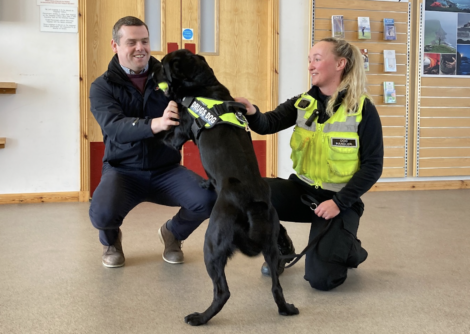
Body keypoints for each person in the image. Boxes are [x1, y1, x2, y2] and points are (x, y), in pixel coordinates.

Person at [235, 37, 383, 291]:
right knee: (245, 195)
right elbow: (268, 123)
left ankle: (350, 249)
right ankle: (281, 245)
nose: (310, 66)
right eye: (309, 60)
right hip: (303, 192)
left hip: (339, 201)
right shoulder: (303, 102)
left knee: (322, 280)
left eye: (317, 59)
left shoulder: (363, 110)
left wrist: (338, 203)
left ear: (340, 64)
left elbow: (373, 167)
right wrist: (252, 112)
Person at [89, 16, 216, 268]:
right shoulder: (102, 87)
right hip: (122, 170)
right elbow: (115, 128)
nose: (140, 48)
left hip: (165, 170)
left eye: (145, 41)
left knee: (208, 200)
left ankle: (173, 233)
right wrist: (155, 123)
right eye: (131, 42)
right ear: (115, 46)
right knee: (102, 214)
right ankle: (111, 240)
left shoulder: (170, 79)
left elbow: (200, 104)